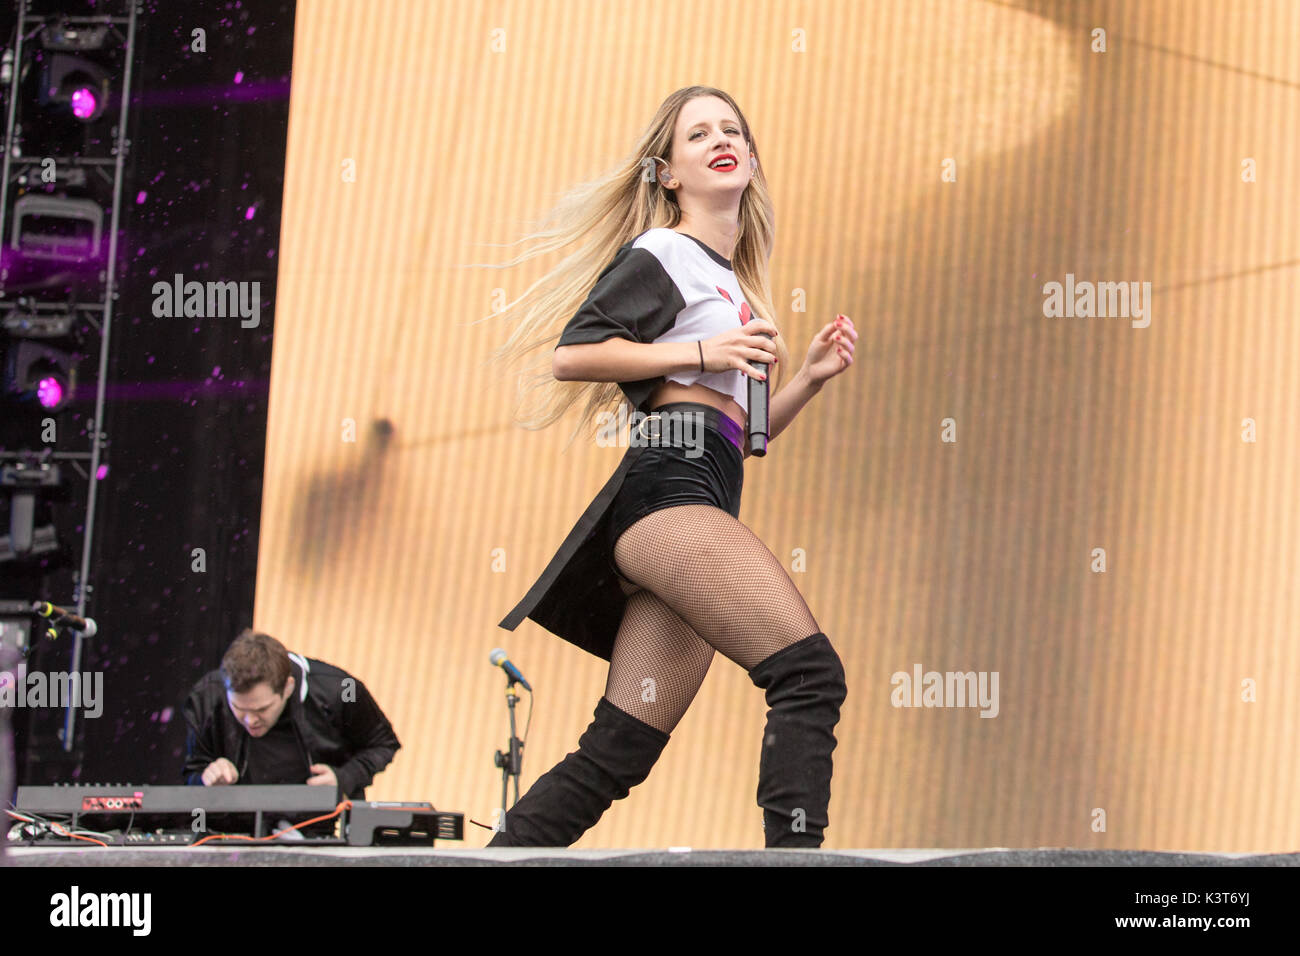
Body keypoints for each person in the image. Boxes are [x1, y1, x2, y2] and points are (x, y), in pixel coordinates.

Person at [485, 86, 858, 848]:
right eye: (698, 134)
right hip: (666, 496)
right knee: (810, 674)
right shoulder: (665, 253)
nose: (720, 139)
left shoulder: (737, 289)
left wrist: (808, 380)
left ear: (751, 160)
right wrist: (702, 350)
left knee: (616, 753)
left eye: (732, 130)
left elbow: (750, 435)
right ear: (668, 172)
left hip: (706, 496)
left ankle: (496, 864)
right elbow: (574, 354)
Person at [181, 629, 400, 800]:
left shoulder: (340, 690)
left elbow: (383, 744)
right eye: (239, 709)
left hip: (320, 826)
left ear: (288, 688)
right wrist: (206, 779)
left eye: (262, 709)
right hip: (236, 830)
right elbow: (192, 773)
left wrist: (346, 777)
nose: (251, 720)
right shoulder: (207, 697)